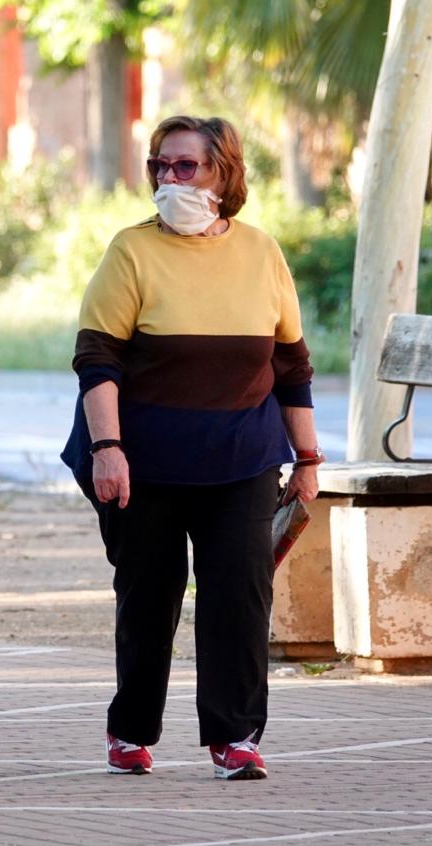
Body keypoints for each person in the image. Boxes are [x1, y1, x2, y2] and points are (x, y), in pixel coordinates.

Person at [61, 115, 321, 781]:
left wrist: (309, 461)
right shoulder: (131, 250)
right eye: (160, 166)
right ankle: (131, 729)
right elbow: (98, 362)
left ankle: (235, 737)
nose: (169, 178)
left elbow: (291, 368)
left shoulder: (261, 253)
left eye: (187, 166)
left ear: (223, 174)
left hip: (242, 457)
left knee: (240, 594)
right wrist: (107, 448)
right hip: (142, 458)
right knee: (149, 596)